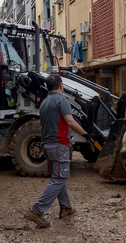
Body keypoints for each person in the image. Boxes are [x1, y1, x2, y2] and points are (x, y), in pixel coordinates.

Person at [24, 74, 95, 228]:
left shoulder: (44, 103)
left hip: (46, 145)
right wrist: (87, 135)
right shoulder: (62, 100)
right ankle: (36, 211)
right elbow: (70, 121)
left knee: (58, 176)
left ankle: (66, 208)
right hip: (59, 145)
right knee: (60, 179)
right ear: (61, 86)